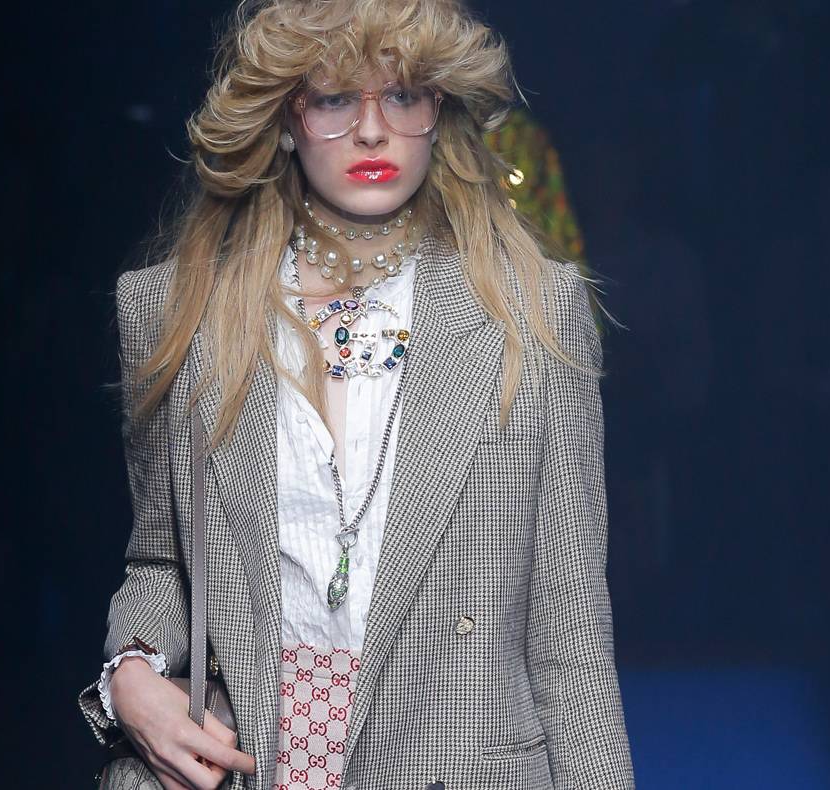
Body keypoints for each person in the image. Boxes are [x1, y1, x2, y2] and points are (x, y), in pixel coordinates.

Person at [76, 1, 636, 788]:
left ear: (439, 110)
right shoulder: (180, 314)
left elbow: (570, 629)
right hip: (257, 764)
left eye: (402, 94)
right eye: (336, 97)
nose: (372, 131)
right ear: (285, 117)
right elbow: (163, 558)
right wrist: (131, 676)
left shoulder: (534, 314)